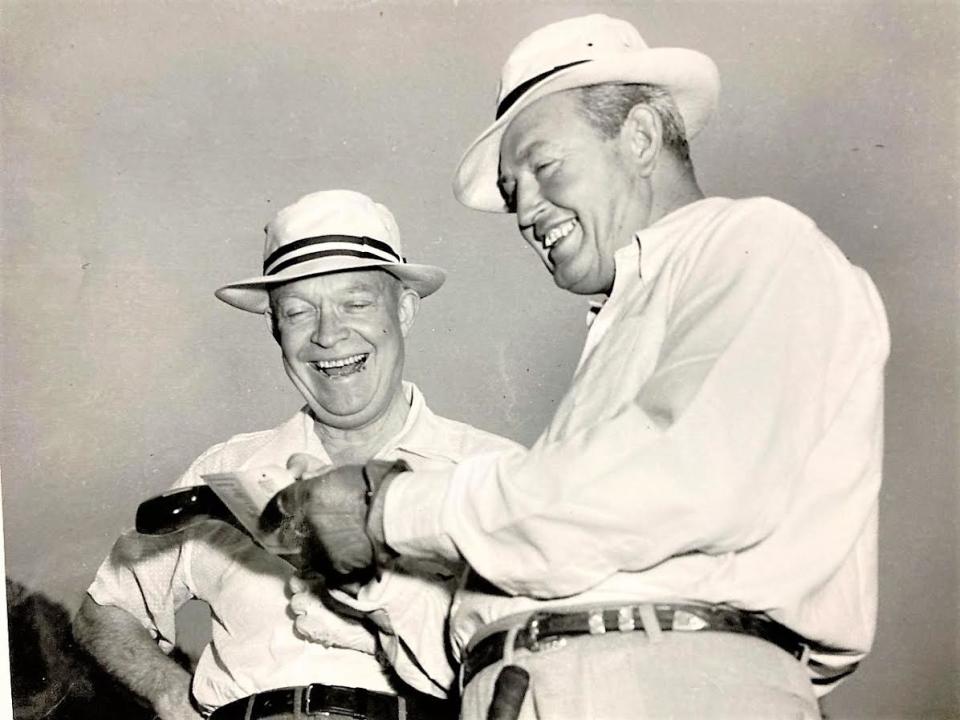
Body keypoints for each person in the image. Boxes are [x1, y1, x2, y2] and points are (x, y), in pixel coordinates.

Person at [277, 14, 890, 720]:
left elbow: (680, 481)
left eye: (544, 167)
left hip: (669, 688)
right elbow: (539, 595)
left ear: (640, 137)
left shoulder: (757, 245)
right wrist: (367, 575)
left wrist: (384, 507)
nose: (526, 211)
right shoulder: (626, 321)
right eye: (513, 192)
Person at [73, 190, 519, 720]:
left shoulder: (495, 473)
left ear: (404, 310)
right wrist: (169, 691)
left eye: (355, 303)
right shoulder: (224, 472)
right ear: (275, 329)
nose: (329, 335)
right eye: (299, 312)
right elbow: (105, 608)